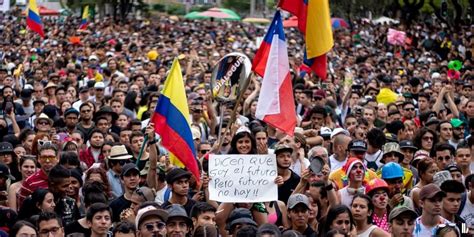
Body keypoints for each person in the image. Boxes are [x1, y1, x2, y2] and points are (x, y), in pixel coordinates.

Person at [18, 143, 59, 207]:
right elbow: (23, 211)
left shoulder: (64, 178)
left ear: (57, 159)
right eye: (44, 157)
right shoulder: (29, 182)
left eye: (51, 157)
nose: (47, 161)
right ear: (39, 159)